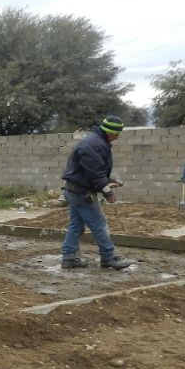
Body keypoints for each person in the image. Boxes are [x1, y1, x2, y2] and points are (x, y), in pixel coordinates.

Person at [60, 116, 132, 270]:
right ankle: (108, 257)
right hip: (81, 193)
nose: (117, 137)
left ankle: (69, 257)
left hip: (74, 190)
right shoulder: (92, 145)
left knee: (76, 225)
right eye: (117, 134)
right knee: (99, 224)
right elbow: (95, 174)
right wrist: (108, 192)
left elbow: (93, 171)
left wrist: (110, 180)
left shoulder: (95, 142)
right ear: (111, 133)